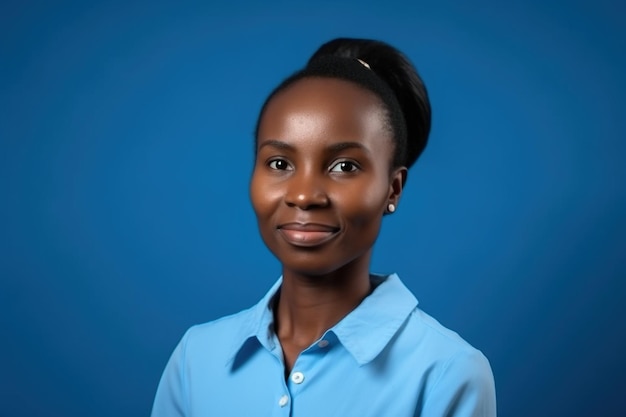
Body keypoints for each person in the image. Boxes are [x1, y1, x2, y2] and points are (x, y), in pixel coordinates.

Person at [151, 37, 496, 417]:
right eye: (280, 164)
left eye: (344, 166)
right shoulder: (195, 360)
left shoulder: (447, 373)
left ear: (392, 188)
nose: (303, 195)